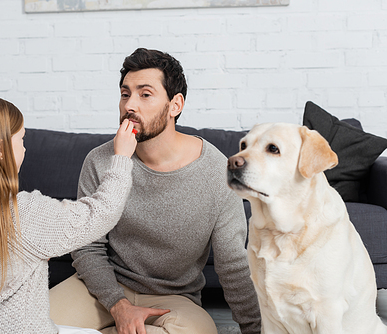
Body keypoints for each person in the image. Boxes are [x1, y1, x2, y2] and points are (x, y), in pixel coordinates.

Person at [49, 48, 261, 334]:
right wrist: (118, 305)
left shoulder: (215, 171)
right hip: (102, 289)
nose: (130, 105)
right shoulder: (100, 161)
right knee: (20, 324)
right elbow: (88, 247)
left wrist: (255, 329)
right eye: (125, 94)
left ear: (175, 105)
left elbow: (233, 266)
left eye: (144, 94)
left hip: (174, 300)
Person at [0, 94, 138, 333]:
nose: (25, 147)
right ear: (1, 150)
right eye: (21, 139)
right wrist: (122, 158)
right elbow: (100, 214)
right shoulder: (24, 213)